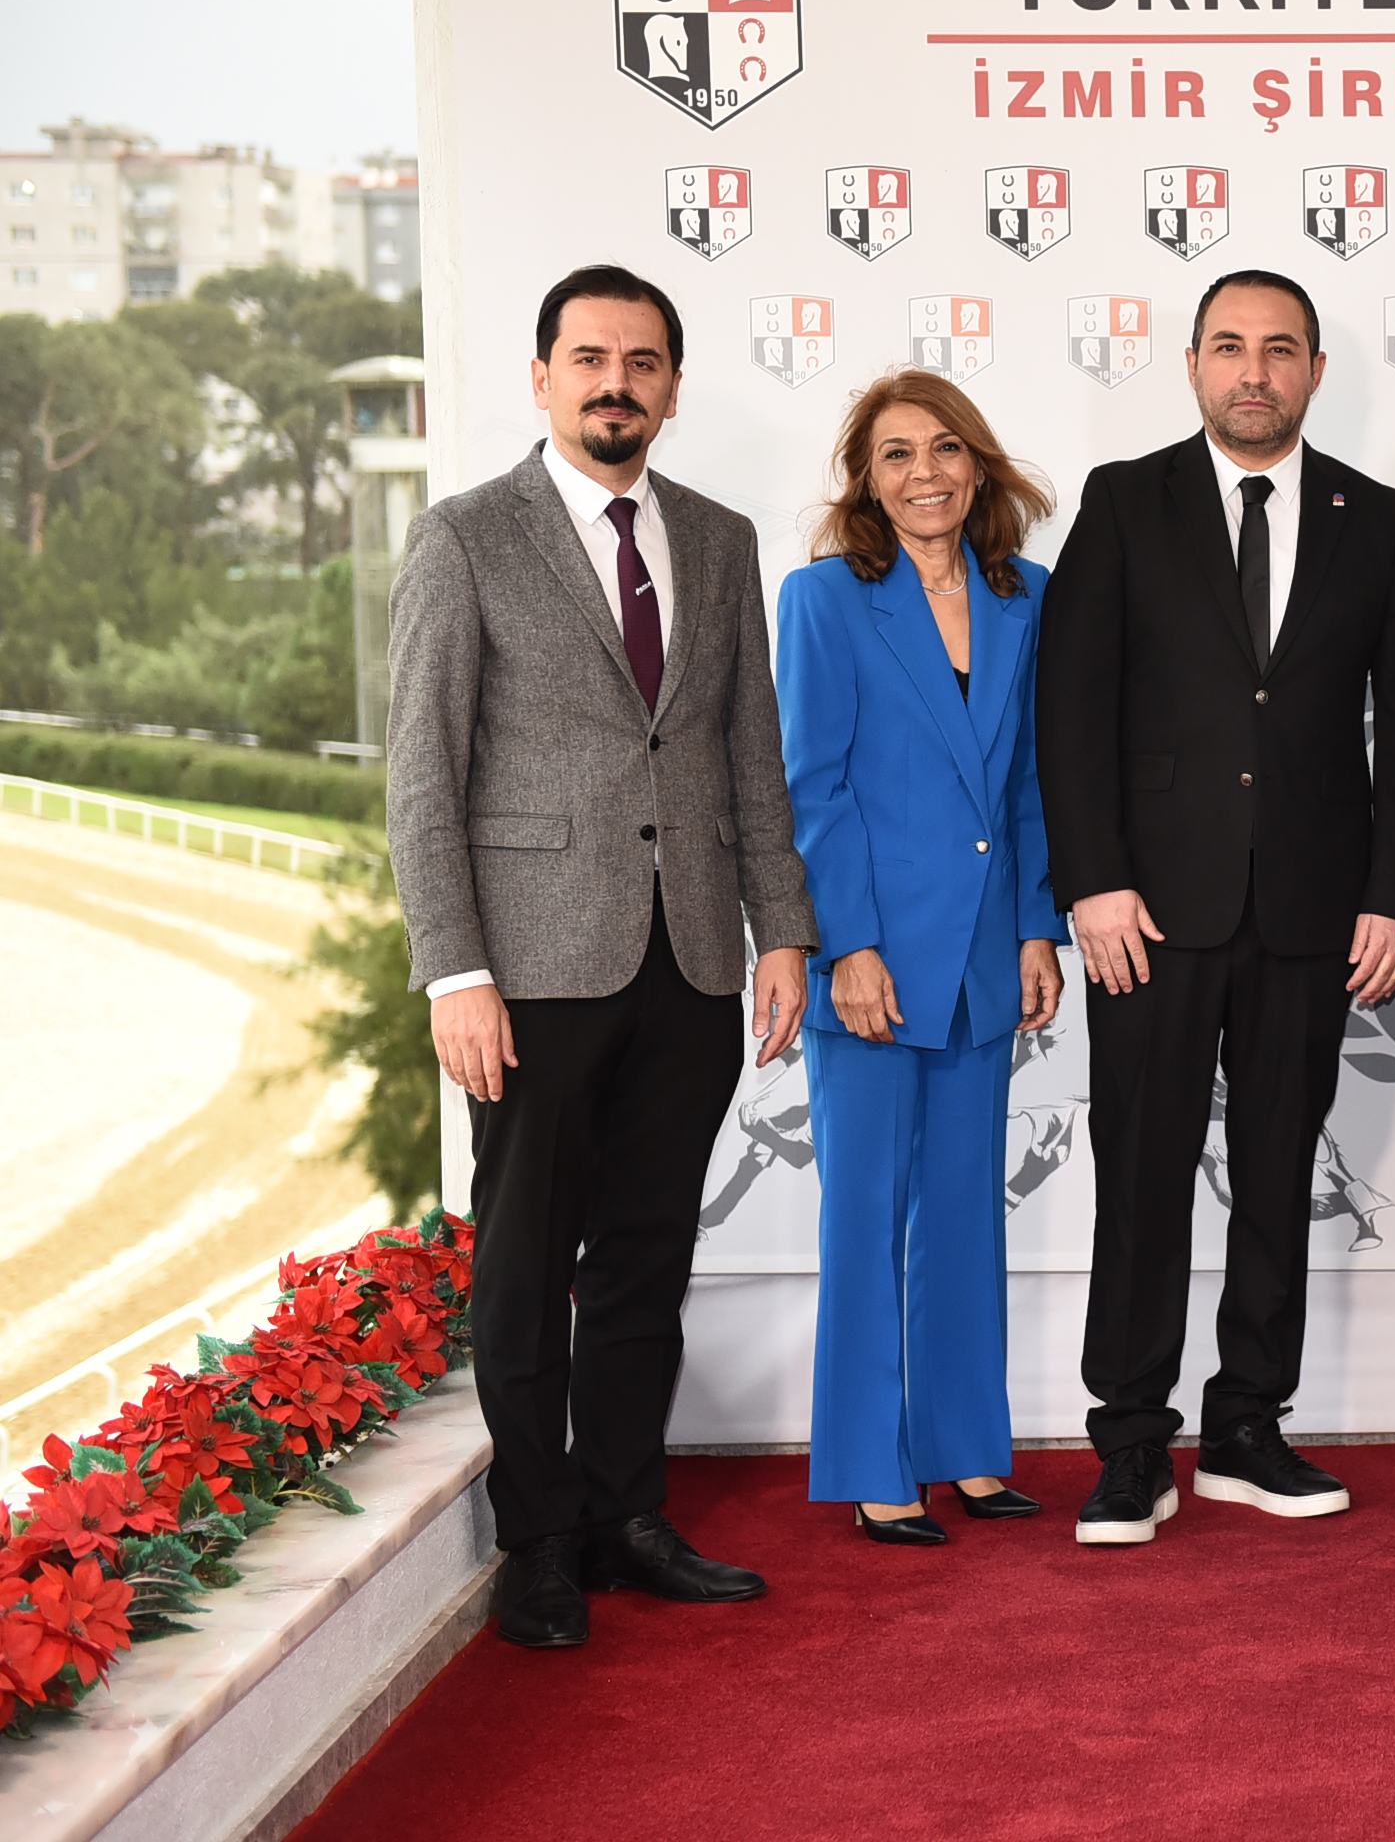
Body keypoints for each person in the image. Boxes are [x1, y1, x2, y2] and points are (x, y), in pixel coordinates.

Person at [388, 265, 816, 1648]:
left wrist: (782, 929)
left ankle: (627, 1514)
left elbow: (750, 754)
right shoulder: (465, 538)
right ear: (542, 378)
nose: (614, 383)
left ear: (673, 388)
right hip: (529, 973)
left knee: (645, 1255)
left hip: (688, 962)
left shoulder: (719, 536)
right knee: (524, 1266)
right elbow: (421, 775)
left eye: (640, 362)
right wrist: (455, 971)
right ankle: (537, 1541)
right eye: (588, 359)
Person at [1036, 270, 1395, 1545]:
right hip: (1148, 911)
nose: (1252, 371)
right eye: (1228, 346)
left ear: (1313, 368)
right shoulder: (1123, 500)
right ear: (1193, 364)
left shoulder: (1377, 519)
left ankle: (1248, 1424)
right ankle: (1129, 1441)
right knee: (1140, 1179)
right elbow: (1070, 705)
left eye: (1277, 348)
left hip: (1315, 909)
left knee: (1277, 1174)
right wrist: (1092, 880)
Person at [776, 371, 1065, 1546]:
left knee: (961, 1215)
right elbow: (813, 788)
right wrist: (845, 945)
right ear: (866, 478)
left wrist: (1036, 925)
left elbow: (1035, 776)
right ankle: (869, 1462)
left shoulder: (1024, 595)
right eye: (895, 453)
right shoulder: (823, 599)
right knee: (864, 1220)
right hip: (875, 960)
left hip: (985, 953)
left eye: (944, 448)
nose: (924, 473)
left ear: (976, 463)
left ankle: (964, 1450)